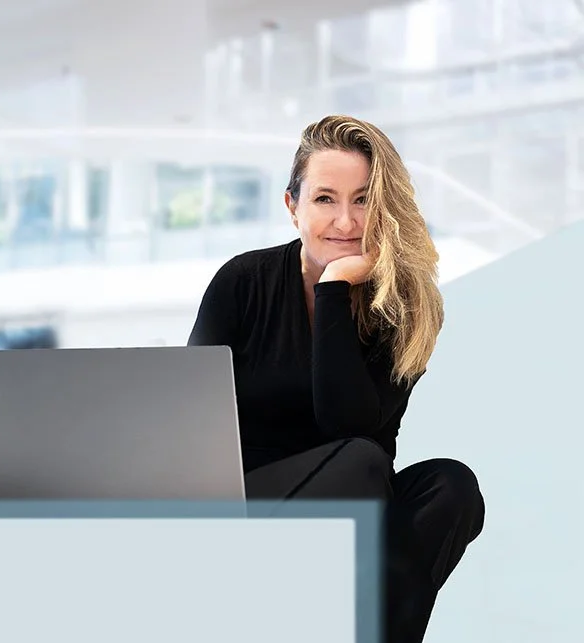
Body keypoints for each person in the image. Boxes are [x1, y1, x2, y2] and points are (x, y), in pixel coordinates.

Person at [187, 114, 485, 643]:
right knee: (361, 461)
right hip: (246, 510)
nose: (346, 222)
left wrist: (332, 291)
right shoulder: (242, 282)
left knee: (450, 485)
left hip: (350, 516)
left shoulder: (404, 308)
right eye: (325, 199)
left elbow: (347, 423)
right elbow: (187, 414)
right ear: (292, 207)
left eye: (364, 199)